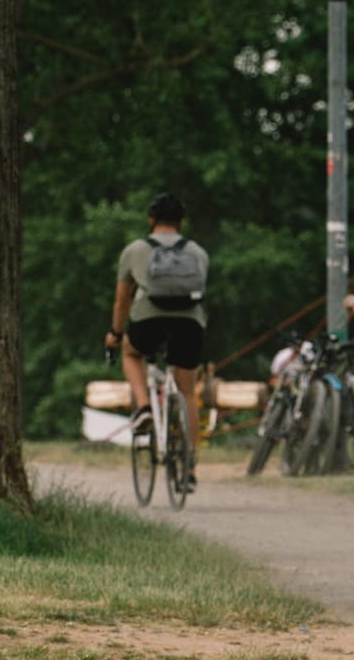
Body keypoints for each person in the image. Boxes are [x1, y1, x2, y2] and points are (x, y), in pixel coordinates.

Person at [104, 192, 210, 492]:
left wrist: (115, 332)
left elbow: (122, 299)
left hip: (149, 318)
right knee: (187, 391)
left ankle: (144, 408)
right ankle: (189, 464)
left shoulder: (135, 250)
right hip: (189, 322)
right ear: (181, 222)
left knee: (132, 354)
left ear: (151, 220)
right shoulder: (198, 252)